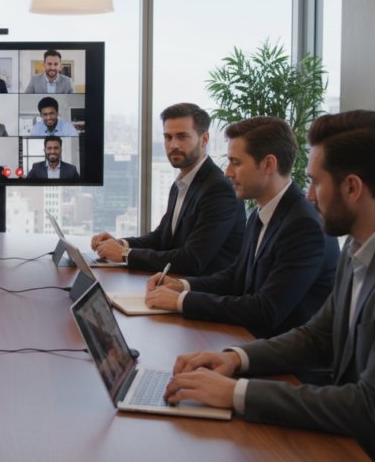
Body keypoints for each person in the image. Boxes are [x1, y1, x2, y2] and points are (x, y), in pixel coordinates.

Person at [163, 111, 375, 462]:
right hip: (356, 441)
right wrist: (234, 359)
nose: (308, 195)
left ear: (352, 187)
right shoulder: (362, 244)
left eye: (314, 182)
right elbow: (318, 335)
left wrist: (235, 393)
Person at [144, 117, 338, 341]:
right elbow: (236, 276)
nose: (227, 172)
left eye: (236, 163)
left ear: (268, 164)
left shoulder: (303, 225)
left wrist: (181, 301)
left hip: (285, 363)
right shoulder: (260, 212)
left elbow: (266, 310)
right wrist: (180, 286)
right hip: (250, 340)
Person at [92, 103, 244, 276]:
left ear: (204, 139)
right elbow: (162, 237)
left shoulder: (218, 189)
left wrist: (124, 255)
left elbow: (192, 260)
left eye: (182, 137)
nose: (173, 145)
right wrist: (121, 244)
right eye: (168, 137)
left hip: (201, 294)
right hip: (172, 284)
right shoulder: (181, 183)